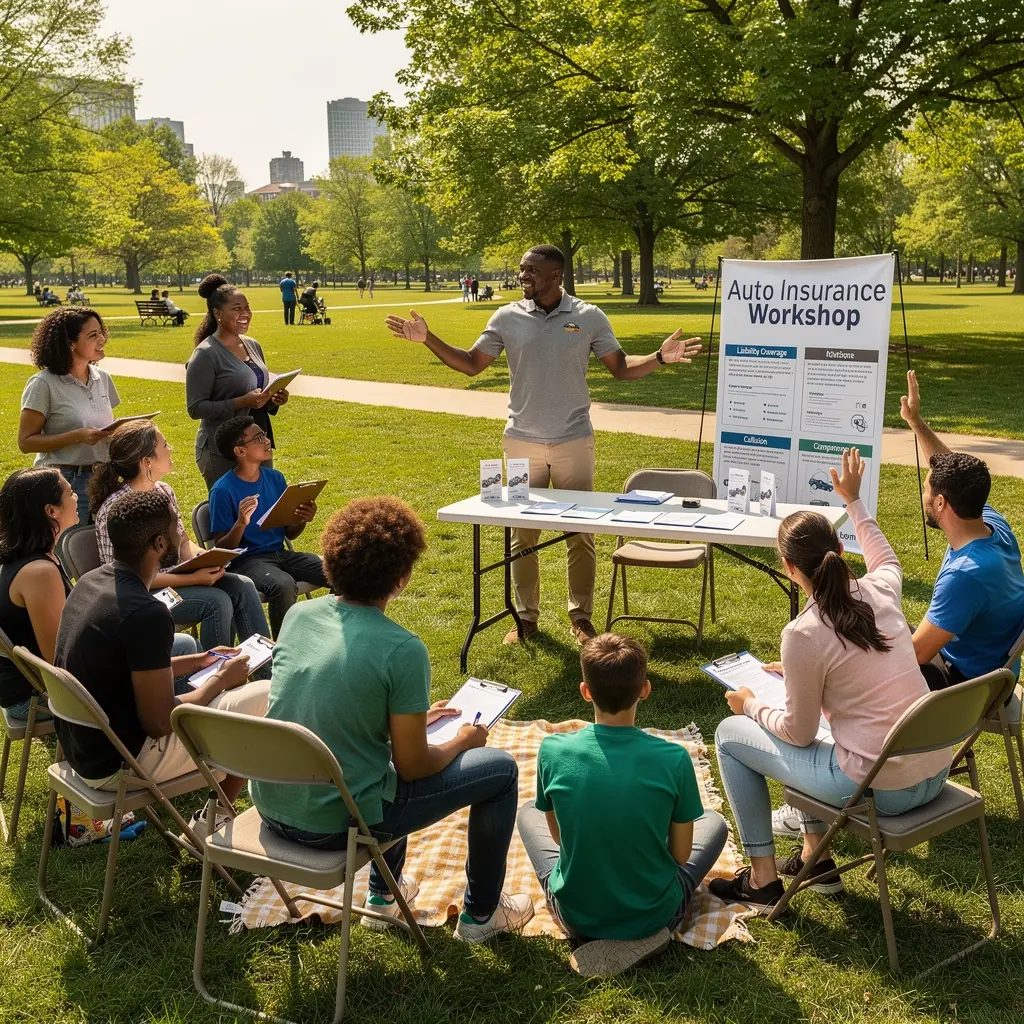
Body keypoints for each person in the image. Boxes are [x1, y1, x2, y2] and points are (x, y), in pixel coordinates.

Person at [385, 244, 702, 646]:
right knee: (523, 535)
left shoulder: (588, 316)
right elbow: (470, 363)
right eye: (521, 270)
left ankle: (581, 617)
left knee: (580, 533)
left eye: (532, 270)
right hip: (521, 443)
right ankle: (525, 619)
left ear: (556, 275)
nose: (523, 276)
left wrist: (658, 356)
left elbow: (620, 369)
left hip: (573, 439)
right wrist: (428, 338)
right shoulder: (506, 316)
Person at [251, 496, 533, 942]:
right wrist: (462, 740)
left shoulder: (298, 616)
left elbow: (342, 707)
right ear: (401, 580)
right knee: (499, 770)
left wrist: (414, 719)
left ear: (330, 561)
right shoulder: (402, 649)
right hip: (337, 827)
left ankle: (384, 897)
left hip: (272, 808)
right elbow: (413, 766)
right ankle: (482, 917)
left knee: (373, 763)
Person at [709, 450, 952, 907]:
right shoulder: (882, 588)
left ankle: (762, 881)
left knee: (731, 735)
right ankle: (814, 861)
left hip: (884, 788)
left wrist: (750, 706)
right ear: (841, 551)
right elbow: (884, 554)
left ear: (788, 568)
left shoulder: (803, 632)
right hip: (934, 769)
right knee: (818, 731)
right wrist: (853, 502)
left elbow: (797, 733)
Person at [53, 489, 269, 836]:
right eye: (175, 528)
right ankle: (210, 824)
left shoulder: (91, 582)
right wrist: (220, 681)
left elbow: (123, 670)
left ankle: (214, 819)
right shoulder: (146, 612)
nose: (180, 533)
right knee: (265, 697)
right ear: (158, 543)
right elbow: (159, 722)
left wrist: (200, 661)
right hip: (124, 763)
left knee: (231, 692)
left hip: (85, 752)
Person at [518, 633, 727, 976]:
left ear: (585, 691)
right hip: (653, 913)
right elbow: (679, 856)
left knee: (529, 811)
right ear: (645, 688)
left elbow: (559, 839)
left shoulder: (552, 750)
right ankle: (645, 934)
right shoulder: (673, 758)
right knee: (714, 822)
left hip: (577, 915)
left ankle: (612, 926)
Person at [89, 419, 270, 651]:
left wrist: (208, 557)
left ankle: (269, 672)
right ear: (146, 462)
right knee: (218, 601)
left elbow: (183, 541)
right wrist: (194, 579)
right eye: (164, 446)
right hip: (142, 595)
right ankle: (214, 677)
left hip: (175, 579)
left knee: (242, 585)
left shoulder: (165, 491)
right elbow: (127, 577)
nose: (171, 449)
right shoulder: (117, 509)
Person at [901, 370, 1024, 690]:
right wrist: (916, 421)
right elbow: (950, 467)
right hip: (989, 665)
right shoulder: (992, 526)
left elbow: (916, 654)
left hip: (964, 686)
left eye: (927, 490)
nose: (923, 494)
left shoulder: (965, 575)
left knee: (861, 652)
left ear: (941, 504)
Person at [208, 415, 328, 636]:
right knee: (282, 585)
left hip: (279, 553)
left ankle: (335, 633)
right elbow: (222, 549)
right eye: (259, 437)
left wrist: (301, 518)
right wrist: (241, 523)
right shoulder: (222, 490)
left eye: (265, 435)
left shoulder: (275, 478)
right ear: (240, 451)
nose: (267, 441)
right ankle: (285, 650)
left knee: (338, 569)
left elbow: (289, 532)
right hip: (246, 561)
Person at [186, 274, 289, 489]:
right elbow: (195, 408)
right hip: (222, 449)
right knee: (231, 517)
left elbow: (258, 396)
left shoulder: (253, 345)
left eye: (247, 308)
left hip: (257, 444)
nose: (245, 314)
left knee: (263, 512)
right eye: (236, 309)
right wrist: (241, 402)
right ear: (218, 313)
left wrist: (273, 399)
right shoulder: (205, 354)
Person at [18, 307, 120, 522]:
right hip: (66, 483)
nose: (102, 339)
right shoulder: (43, 384)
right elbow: (26, 442)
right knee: (69, 550)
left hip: (103, 478)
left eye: (101, 332)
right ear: (69, 343)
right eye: (93, 335)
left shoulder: (103, 378)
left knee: (100, 548)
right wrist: (77, 436)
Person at [0, 468, 78, 720]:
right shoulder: (39, 573)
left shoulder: (33, 555)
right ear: (51, 511)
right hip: (35, 697)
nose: (77, 497)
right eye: (70, 493)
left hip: (34, 685)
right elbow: (59, 658)